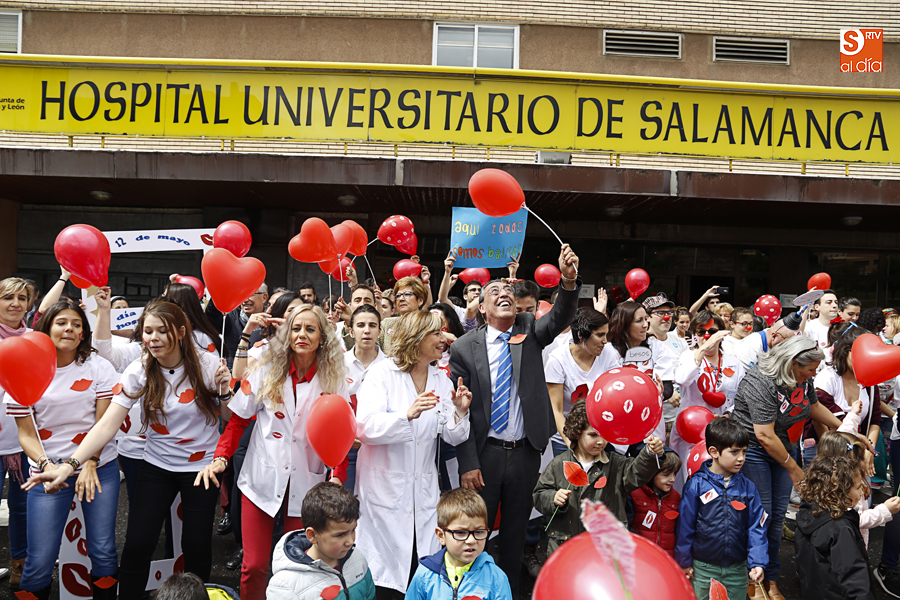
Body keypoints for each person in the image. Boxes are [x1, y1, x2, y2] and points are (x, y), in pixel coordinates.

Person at [26, 301, 233, 598]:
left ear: (181, 332)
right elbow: (106, 425)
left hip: (201, 469)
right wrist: (71, 464)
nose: (153, 338)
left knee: (196, 545)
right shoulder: (139, 369)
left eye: (162, 331)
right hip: (157, 466)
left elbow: (229, 417)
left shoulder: (208, 363)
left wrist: (225, 392)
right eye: (148, 331)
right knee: (137, 544)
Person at [449, 244, 580, 595]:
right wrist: (468, 463)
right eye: (494, 291)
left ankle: (507, 590)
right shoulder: (464, 347)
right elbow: (461, 412)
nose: (503, 293)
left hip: (525, 452)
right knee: (476, 530)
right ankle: (471, 591)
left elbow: (560, 316)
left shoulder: (529, 330)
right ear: (481, 308)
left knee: (515, 532)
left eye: (507, 290)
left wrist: (568, 281)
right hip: (485, 455)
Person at [194, 304, 348, 600]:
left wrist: (337, 476)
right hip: (260, 480)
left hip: (307, 484)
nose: (302, 334)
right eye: (296, 328)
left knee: (299, 567)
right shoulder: (265, 367)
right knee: (254, 566)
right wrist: (221, 458)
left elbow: (340, 433)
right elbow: (238, 420)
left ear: (322, 338)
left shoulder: (335, 377)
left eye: (310, 329)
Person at [7, 300, 120, 600]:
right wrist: (47, 466)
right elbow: (26, 433)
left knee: (103, 547)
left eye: (76, 324)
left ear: (83, 332)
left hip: (98, 468)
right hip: (45, 473)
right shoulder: (24, 367)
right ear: (47, 328)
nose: (69, 328)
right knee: (40, 557)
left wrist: (91, 462)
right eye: (61, 322)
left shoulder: (99, 366)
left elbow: (103, 425)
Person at [355, 310, 472, 598]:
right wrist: (405, 416)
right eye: (436, 333)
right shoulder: (381, 374)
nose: (444, 339)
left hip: (423, 493)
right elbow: (364, 428)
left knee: (419, 573)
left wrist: (460, 412)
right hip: (384, 494)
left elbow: (453, 435)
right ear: (416, 338)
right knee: (384, 581)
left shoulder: (441, 380)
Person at [730, 335, 848, 600]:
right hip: (755, 451)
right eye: (810, 370)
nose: (814, 375)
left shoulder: (803, 378)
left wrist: (846, 430)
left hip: (785, 448)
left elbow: (814, 406)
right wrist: (795, 469)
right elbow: (764, 435)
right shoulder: (760, 380)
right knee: (761, 517)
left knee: (776, 520)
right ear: (793, 363)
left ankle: (770, 578)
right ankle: (753, 580)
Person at [533, 400, 664, 554]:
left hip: (607, 549)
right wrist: (553, 498)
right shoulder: (558, 464)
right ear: (577, 433)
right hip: (567, 549)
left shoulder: (616, 464)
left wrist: (649, 454)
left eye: (604, 434)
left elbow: (637, 473)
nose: (601, 441)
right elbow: (539, 495)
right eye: (593, 435)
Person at [674, 417, 767, 600]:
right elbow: (685, 527)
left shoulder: (748, 488)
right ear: (714, 452)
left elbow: (756, 526)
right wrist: (683, 561)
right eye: (734, 452)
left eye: (744, 451)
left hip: (737, 570)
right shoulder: (696, 486)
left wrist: (758, 561)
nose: (741, 458)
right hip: (703, 569)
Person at [670, 312, 745, 488]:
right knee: (689, 481)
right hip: (691, 432)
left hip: (721, 433)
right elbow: (681, 380)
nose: (707, 336)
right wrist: (702, 349)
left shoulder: (733, 362)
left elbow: (740, 397)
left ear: (721, 334)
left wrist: (728, 414)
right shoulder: (689, 357)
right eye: (701, 332)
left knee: (718, 483)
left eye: (712, 332)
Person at [267, 482, 375, 600]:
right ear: (312, 535)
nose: (350, 541)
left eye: (353, 530)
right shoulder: (286, 587)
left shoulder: (357, 558)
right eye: (340, 535)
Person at [405, 488, 512, 600]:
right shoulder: (425, 574)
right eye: (461, 532)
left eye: (479, 532)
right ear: (441, 536)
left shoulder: (496, 578)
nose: (471, 540)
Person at [795, 455, 875, 600]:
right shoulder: (840, 529)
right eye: (858, 487)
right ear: (840, 491)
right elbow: (853, 575)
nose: (861, 493)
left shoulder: (807, 512)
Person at [545, 307, 615, 455]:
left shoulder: (609, 353)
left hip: (601, 436)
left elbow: (617, 394)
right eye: (600, 335)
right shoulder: (557, 360)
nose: (605, 341)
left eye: (606, 334)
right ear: (581, 335)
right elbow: (556, 410)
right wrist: (573, 444)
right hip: (566, 438)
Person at [601, 300, 670, 448]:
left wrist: (659, 392)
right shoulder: (608, 350)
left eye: (646, 319)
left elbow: (667, 388)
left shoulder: (657, 347)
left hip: (650, 429)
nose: (645, 325)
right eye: (639, 321)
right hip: (617, 427)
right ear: (624, 325)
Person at [0, 277, 32, 588]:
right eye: (8, 298)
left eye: (22, 298)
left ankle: (19, 565)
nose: (15, 304)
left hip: (24, 438)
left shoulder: (35, 339)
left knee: (21, 508)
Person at [819, 426, 900, 548]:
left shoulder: (831, 478)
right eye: (862, 457)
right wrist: (885, 510)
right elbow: (854, 519)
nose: (866, 459)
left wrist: (855, 414)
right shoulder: (846, 487)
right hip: (849, 547)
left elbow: (846, 426)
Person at [342, 305, 386, 492]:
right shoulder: (337, 364)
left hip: (380, 450)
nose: (366, 330)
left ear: (380, 331)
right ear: (351, 331)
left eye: (372, 325)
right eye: (360, 325)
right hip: (345, 449)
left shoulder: (391, 366)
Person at [204, 279, 269, 368]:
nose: (245, 300)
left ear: (264, 297)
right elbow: (211, 318)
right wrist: (220, 292)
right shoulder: (231, 318)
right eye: (242, 295)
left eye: (250, 294)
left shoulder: (272, 321)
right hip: (235, 373)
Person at [630, 450, 682, 557]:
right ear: (651, 473)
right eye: (666, 475)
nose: (672, 479)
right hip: (640, 556)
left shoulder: (676, 497)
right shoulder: (634, 494)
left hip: (666, 558)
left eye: (674, 474)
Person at [379, 276, 429, 357]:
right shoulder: (387, 324)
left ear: (420, 300)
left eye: (407, 294)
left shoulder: (428, 325)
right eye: (398, 295)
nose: (401, 299)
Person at [438, 250, 480, 332]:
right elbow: (442, 298)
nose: (477, 292)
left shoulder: (488, 312)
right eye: (473, 290)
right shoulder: (460, 311)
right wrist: (447, 272)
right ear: (465, 296)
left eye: (480, 290)